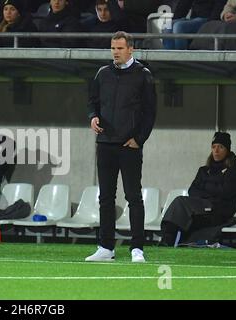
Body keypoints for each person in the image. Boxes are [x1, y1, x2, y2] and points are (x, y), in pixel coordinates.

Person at [86, 31, 157, 263]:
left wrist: (139, 138)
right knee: (105, 198)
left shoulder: (143, 75)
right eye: (113, 48)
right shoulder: (102, 73)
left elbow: (150, 112)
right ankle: (106, 247)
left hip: (129, 145)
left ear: (130, 49)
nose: (115, 52)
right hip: (105, 144)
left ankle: (137, 248)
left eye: (119, 48)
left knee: (133, 197)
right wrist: (93, 117)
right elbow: (93, 102)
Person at [160, 132, 236, 246]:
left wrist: (205, 188)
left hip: (219, 210)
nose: (216, 150)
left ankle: (167, 239)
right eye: (214, 147)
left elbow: (226, 192)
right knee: (182, 205)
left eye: (221, 147)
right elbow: (192, 190)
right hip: (203, 207)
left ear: (227, 150)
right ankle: (168, 239)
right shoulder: (204, 170)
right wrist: (211, 192)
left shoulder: (234, 170)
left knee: (180, 202)